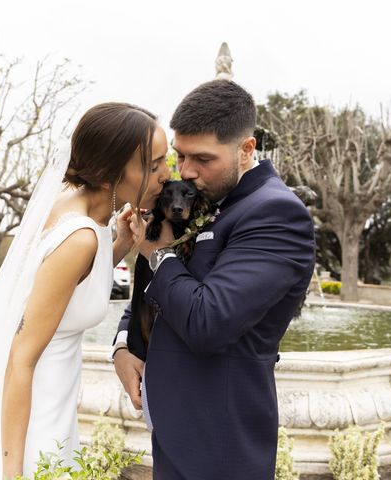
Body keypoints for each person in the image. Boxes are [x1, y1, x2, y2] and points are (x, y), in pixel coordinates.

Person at [0, 102, 170, 479]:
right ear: (109, 175)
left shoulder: (71, 206)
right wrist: (11, 472)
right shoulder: (80, 238)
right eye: (153, 165)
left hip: (47, 407)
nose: (166, 175)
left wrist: (120, 246)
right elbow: (21, 358)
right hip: (37, 422)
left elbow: (65, 290)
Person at [112, 80, 315, 479]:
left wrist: (158, 252)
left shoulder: (275, 213)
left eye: (202, 158)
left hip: (218, 443)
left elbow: (209, 322)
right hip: (174, 430)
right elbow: (156, 287)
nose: (186, 171)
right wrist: (125, 342)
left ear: (246, 149)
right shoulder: (191, 200)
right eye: (180, 155)